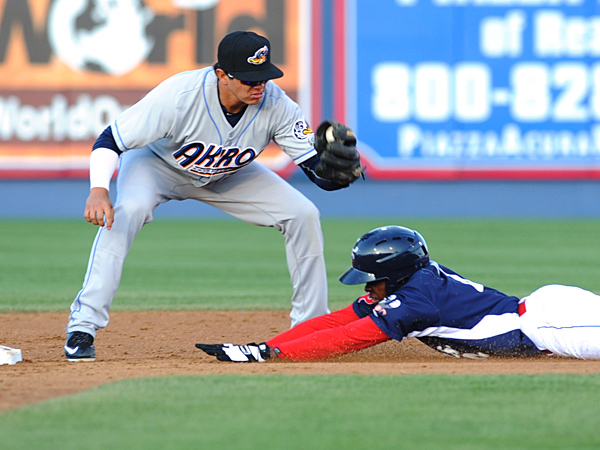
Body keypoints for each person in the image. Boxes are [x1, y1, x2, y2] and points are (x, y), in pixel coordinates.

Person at [64, 30, 362, 362]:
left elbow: (318, 173)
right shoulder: (179, 95)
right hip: (156, 166)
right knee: (127, 210)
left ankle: (310, 326)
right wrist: (99, 189)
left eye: (263, 76)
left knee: (303, 214)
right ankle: (83, 326)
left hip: (228, 175)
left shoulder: (277, 105)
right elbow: (110, 139)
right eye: (249, 79)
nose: (259, 85)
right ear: (221, 74)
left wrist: (337, 174)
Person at [197, 225, 600, 362]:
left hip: (548, 322)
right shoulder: (407, 286)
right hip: (544, 321)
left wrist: (273, 355)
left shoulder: (415, 301)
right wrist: (266, 346)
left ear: (396, 273)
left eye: (373, 278)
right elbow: (339, 320)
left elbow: (349, 338)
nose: (368, 287)